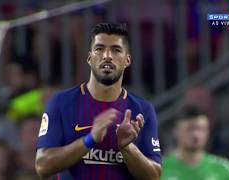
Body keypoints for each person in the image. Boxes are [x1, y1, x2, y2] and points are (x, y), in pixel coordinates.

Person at [35, 23, 161, 180]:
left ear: (127, 60)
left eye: (116, 50)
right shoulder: (61, 103)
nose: (107, 55)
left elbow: (154, 176)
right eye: (99, 49)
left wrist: (127, 147)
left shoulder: (143, 109)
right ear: (89, 58)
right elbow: (42, 166)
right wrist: (90, 139)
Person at [161, 106, 229, 180]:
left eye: (201, 129)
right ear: (176, 132)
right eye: (190, 128)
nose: (196, 134)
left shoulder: (222, 168)